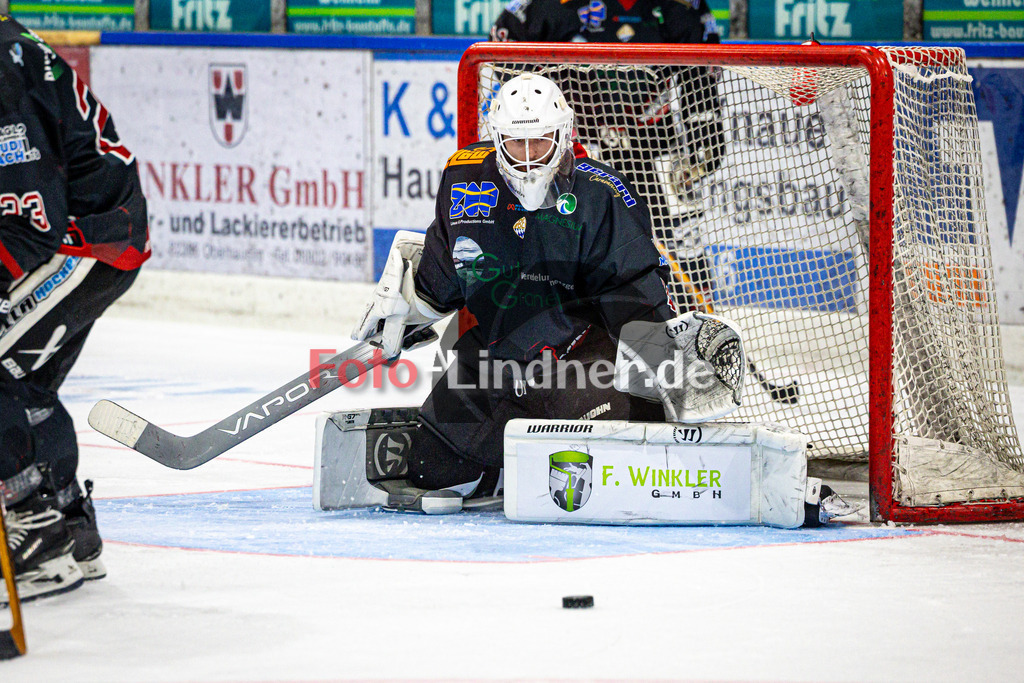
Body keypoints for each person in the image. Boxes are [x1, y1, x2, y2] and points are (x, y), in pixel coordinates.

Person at [344, 73, 743, 513]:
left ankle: (549, 445)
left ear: (564, 135)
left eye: (542, 142)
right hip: (494, 363)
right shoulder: (462, 180)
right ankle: (499, 465)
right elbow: (443, 275)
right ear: (497, 138)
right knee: (427, 469)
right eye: (517, 142)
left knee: (613, 467)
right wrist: (406, 307)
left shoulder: (602, 194)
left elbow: (636, 300)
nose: (530, 157)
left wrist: (672, 376)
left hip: (583, 366)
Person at [0, 15, 149, 603]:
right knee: (23, 377)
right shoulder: (10, 47)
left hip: (81, 241)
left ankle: (30, 537)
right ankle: (66, 529)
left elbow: (33, 222)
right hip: (99, 233)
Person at [490, 0, 726, 297]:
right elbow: (504, 48)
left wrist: (705, 140)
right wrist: (538, 126)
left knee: (680, 239)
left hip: (652, 145)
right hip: (573, 148)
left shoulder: (678, 7)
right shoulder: (546, 6)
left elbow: (700, 76)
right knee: (556, 237)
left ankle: (692, 312)